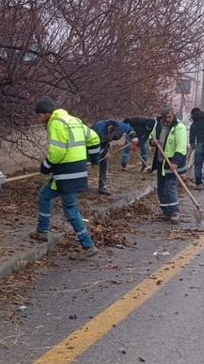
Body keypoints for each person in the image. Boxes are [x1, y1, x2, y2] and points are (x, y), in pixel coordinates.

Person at [30, 96, 102, 260]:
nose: (39, 119)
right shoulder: (73, 120)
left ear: (47, 113)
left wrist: (45, 166)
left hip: (67, 173)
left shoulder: (56, 123)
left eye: (39, 116)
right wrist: (94, 159)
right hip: (73, 171)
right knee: (45, 195)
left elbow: (57, 152)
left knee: (70, 209)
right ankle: (42, 231)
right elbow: (94, 138)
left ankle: (88, 245)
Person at [150, 105, 188, 224]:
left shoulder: (179, 127)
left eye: (169, 117)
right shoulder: (159, 124)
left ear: (173, 115)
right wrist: (153, 142)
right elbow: (151, 136)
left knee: (170, 186)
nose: (167, 119)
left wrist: (175, 162)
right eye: (165, 117)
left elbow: (181, 146)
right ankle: (166, 211)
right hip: (161, 161)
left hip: (172, 161)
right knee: (161, 186)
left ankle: (175, 211)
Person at [91, 119, 138, 195]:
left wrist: (134, 137)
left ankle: (102, 186)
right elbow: (96, 144)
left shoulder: (119, 125)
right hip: (92, 143)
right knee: (87, 163)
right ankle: (80, 185)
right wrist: (103, 153)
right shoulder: (98, 129)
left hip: (104, 142)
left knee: (104, 164)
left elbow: (129, 128)